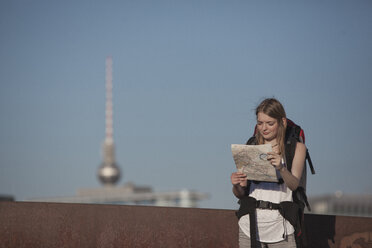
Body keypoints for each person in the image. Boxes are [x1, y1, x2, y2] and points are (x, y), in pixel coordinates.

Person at [231, 98, 306, 248]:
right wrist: (237, 184)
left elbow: (294, 185)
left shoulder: (296, 148)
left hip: (281, 226)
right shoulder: (252, 145)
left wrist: (281, 168)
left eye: (270, 123)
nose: (264, 128)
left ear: (282, 122)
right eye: (260, 123)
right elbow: (241, 193)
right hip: (249, 225)